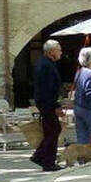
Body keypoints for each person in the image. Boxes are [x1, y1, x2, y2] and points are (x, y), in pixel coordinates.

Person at [30, 39, 64, 172]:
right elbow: (47, 89)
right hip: (47, 104)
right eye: (59, 50)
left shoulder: (47, 64)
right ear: (51, 52)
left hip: (46, 103)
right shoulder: (46, 66)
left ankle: (39, 156)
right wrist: (55, 106)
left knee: (54, 130)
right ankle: (47, 162)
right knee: (52, 131)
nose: (61, 52)